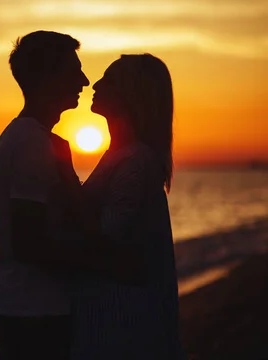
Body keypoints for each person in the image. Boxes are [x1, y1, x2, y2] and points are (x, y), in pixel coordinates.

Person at [0, 31, 144, 360]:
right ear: (47, 77)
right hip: (33, 312)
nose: (85, 81)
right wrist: (108, 265)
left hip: (32, 307)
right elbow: (29, 244)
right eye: (74, 71)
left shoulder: (40, 140)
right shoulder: (31, 141)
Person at [54, 54, 187, 359]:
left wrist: (64, 176)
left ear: (130, 94)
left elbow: (103, 238)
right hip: (113, 321)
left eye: (108, 79)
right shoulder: (122, 155)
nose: (96, 84)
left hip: (121, 327)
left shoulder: (134, 161)